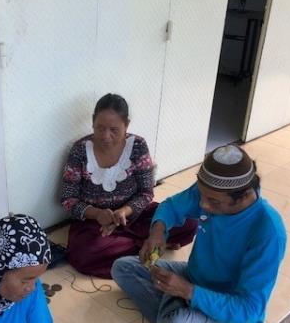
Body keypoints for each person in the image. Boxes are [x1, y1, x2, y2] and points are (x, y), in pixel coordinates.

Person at [111, 145, 286, 323]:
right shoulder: (212, 192)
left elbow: (249, 308)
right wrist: (158, 231)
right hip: (193, 276)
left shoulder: (268, 231)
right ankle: (182, 320)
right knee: (123, 268)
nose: (203, 205)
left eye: (213, 201)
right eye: (202, 196)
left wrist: (188, 292)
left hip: (232, 312)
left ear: (243, 196)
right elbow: (171, 207)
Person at [61, 93, 197, 279]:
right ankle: (151, 246)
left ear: (127, 126)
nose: (106, 136)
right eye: (100, 128)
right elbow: (68, 200)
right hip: (95, 224)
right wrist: (97, 214)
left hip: (136, 215)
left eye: (114, 130)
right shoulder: (79, 151)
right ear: (92, 123)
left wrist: (125, 211)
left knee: (188, 222)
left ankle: (140, 247)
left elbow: (146, 192)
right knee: (84, 253)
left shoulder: (138, 146)